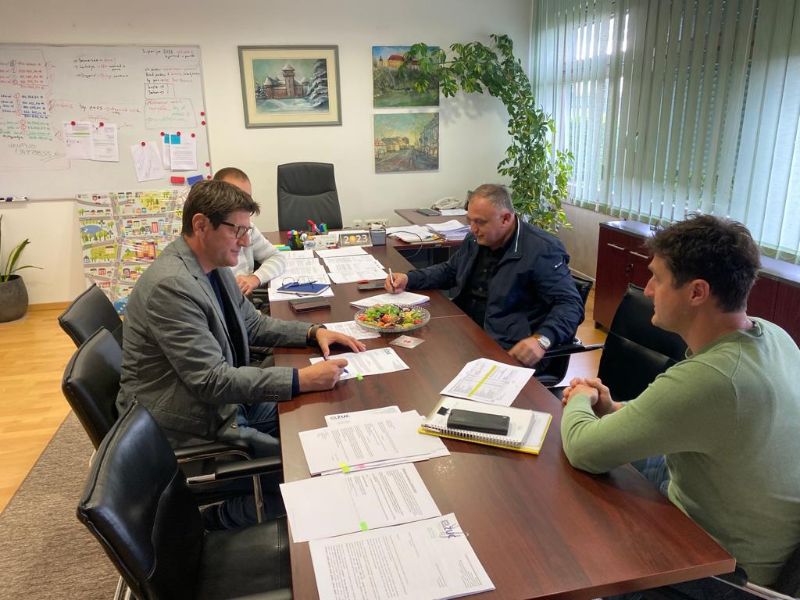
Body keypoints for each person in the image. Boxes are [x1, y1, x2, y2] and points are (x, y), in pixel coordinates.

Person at [560, 215, 800, 596]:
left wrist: (579, 397)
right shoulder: (774, 335)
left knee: (577, 527)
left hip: (723, 571)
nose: (647, 289)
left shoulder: (713, 378)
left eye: (657, 278)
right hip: (752, 519)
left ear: (697, 292)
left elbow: (582, 449)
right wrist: (612, 408)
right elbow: (694, 420)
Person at [117, 179, 365, 527]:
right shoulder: (171, 286)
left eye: (247, 231)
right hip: (189, 423)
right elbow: (211, 381)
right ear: (201, 225)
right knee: (309, 473)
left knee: (324, 424)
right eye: (238, 231)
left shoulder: (212, 265)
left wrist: (313, 332)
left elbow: (253, 324)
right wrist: (299, 379)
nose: (246, 242)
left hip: (221, 401)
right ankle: (211, 522)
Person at [386, 184, 583, 366]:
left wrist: (542, 339)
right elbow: (451, 270)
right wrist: (410, 278)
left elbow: (570, 304)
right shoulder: (476, 239)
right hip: (465, 331)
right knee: (408, 355)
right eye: (470, 221)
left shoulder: (542, 249)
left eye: (480, 222)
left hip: (506, 346)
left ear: (506, 219)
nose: (473, 229)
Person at [213, 167, 286, 296]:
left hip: (245, 299)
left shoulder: (249, 228)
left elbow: (277, 257)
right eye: (236, 198)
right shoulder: (212, 234)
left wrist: (255, 278)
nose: (244, 205)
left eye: (248, 199)